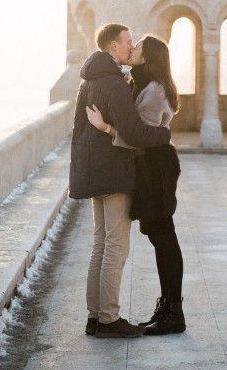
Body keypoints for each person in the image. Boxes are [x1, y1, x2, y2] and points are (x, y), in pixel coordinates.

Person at [68, 22, 171, 338]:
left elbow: (79, 131)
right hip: (113, 172)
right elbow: (135, 131)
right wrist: (164, 133)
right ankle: (109, 320)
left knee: (101, 244)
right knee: (116, 247)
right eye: (127, 41)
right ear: (113, 46)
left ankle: (95, 317)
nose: (131, 46)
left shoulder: (89, 81)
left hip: (93, 171)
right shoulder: (113, 83)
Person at [87, 34, 186, 335]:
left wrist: (105, 127)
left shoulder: (154, 90)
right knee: (160, 236)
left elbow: (138, 133)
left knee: (163, 236)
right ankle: (168, 307)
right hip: (149, 164)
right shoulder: (141, 83)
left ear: (148, 57)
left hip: (155, 166)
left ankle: (173, 312)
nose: (132, 49)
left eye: (138, 46)